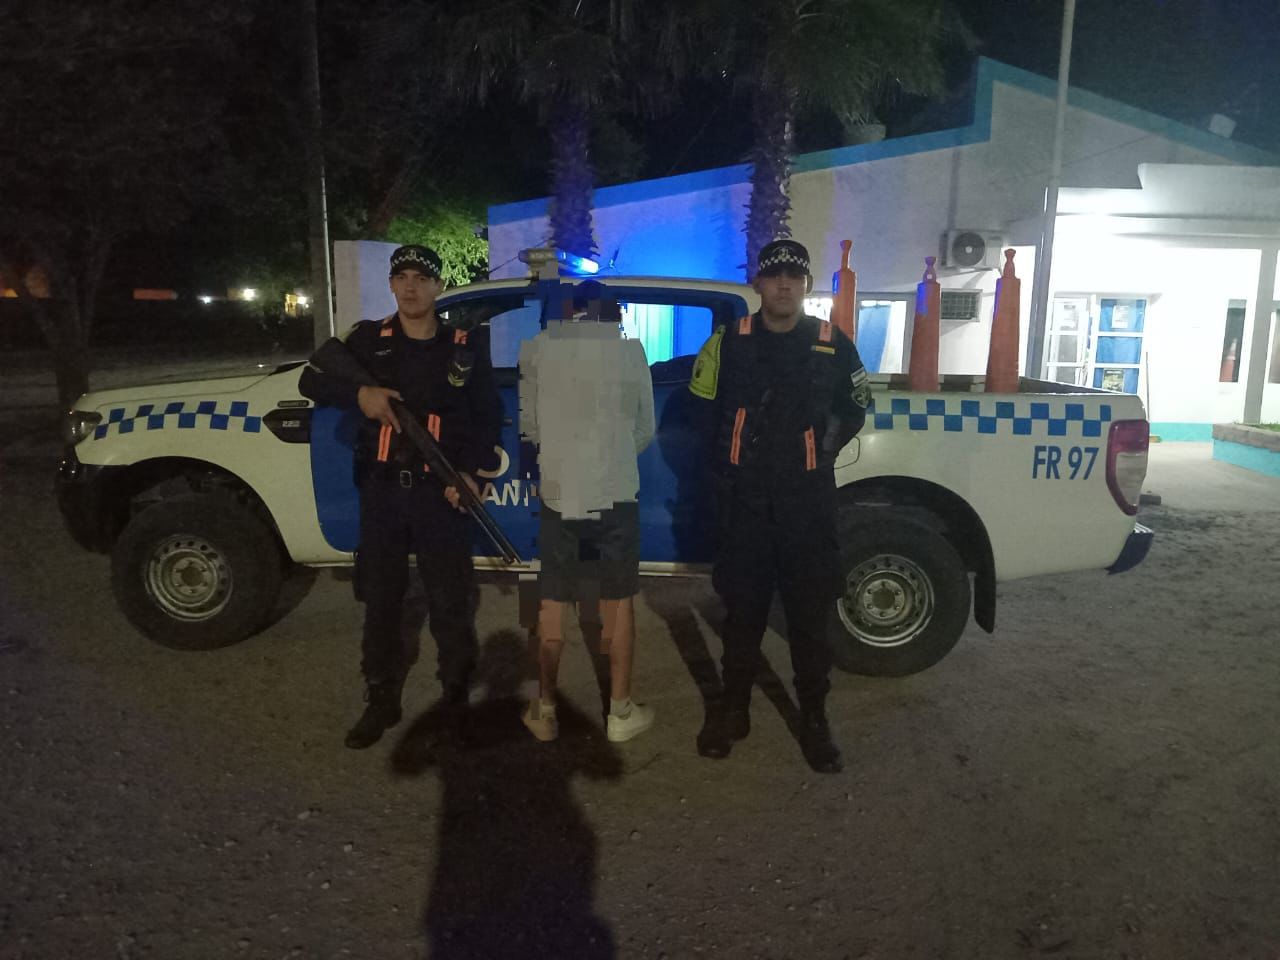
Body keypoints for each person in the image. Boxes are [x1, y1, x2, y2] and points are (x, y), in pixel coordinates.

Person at [299, 244, 503, 749]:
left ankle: (455, 697)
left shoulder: (463, 346)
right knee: (381, 599)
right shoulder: (368, 340)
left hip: (440, 493)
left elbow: (487, 415)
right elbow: (310, 379)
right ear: (392, 285)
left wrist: (473, 475)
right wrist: (360, 395)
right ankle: (381, 697)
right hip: (384, 491)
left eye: (421, 278)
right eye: (402, 278)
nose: (411, 287)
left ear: (438, 287)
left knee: (450, 601)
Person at [688, 239, 870, 773]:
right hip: (745, 504)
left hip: (806, 505)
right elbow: (702, 410)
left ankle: (814, 719)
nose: (784, 284)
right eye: (774, 275)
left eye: (794, 275)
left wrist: (818, 452)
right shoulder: (728, 341)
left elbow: (856, 406)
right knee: (742, 615)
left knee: (809, 619)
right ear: (758, 284)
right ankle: (733, 711)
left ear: (806, 285)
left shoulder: (833, 343)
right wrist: (727, 468)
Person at [517, 286, 657, 743]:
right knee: (617, 600)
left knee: (552, 599)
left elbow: (531, 428)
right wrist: (612, 456)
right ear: (614, 315)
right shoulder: (631, 351)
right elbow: (645, 428)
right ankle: (620, 712)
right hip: (615, 493)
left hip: (559, 493)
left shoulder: (539, 350)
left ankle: (545, 710)